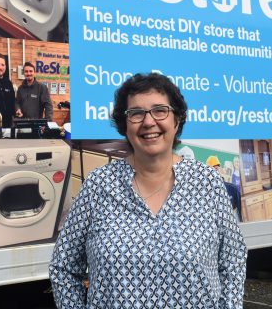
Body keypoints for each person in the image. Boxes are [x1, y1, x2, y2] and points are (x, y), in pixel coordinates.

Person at [50, 73, 247, 308]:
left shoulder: (207, 184)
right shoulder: (98, 186)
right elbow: (63, 267)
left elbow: (233, 260)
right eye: (136, 113)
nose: (148, 121)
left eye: (160, 110)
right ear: (125, 125)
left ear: (177, 120)